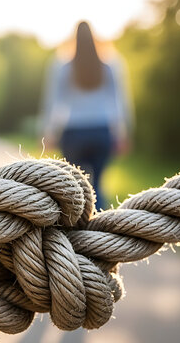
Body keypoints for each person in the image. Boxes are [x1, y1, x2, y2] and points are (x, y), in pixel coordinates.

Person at [41, 21, 133, 211]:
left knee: (74, 186)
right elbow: (120, 103)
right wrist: (123, 134)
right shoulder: (109, 66)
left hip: (73, 133)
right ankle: (99, 231)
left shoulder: (62, 67)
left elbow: (53, 103)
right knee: (98, 185)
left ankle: (76, 230)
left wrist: (48, 132)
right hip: (102, 131)